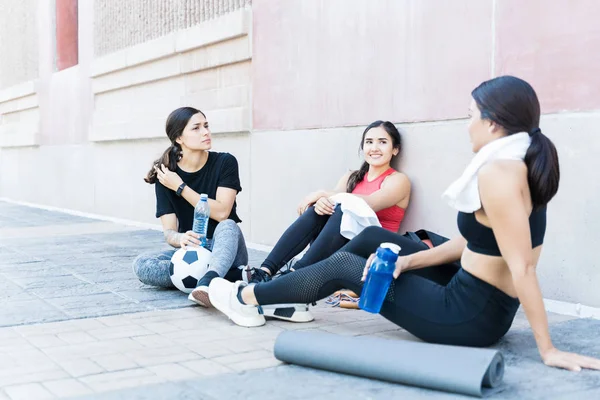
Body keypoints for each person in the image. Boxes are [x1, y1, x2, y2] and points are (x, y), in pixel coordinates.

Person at [207, 76, 600, 372]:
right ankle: (289, 294)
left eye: (470, 117)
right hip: (468, 287)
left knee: (347, 267)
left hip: (469, 317)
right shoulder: (519, 162)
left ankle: (246, 299)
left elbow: (523, 268)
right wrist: (408, 262)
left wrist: (547, 350)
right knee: (376, 237)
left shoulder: (500, 173)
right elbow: (472, 243)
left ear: (494, 123)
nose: (467, 126)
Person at [245, 120, 411, 285]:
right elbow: (336, 199)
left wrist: (322, 193)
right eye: (369, 142)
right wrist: (322, 202)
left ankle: (294, 276)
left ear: (395, 149)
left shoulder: (398, 180)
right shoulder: (352, 177)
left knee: (342, 209)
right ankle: (265, 271)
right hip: (340, 250)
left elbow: (370, 203)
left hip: (372, 255)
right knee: (322, 208)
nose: (374, 148)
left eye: (382, 142)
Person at [132, 107, 247, 308]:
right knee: (143, 264)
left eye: (206, 126)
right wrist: (180, 238)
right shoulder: (166, 176)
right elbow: (169, 233)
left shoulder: (225, 162)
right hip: (193, 252)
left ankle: (206, 280)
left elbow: (221, 212)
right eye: (196, 128)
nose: (206, 132)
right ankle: (226, 277)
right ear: (179, 138)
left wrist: (180, 187)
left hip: (226, 248)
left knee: (228, 225)